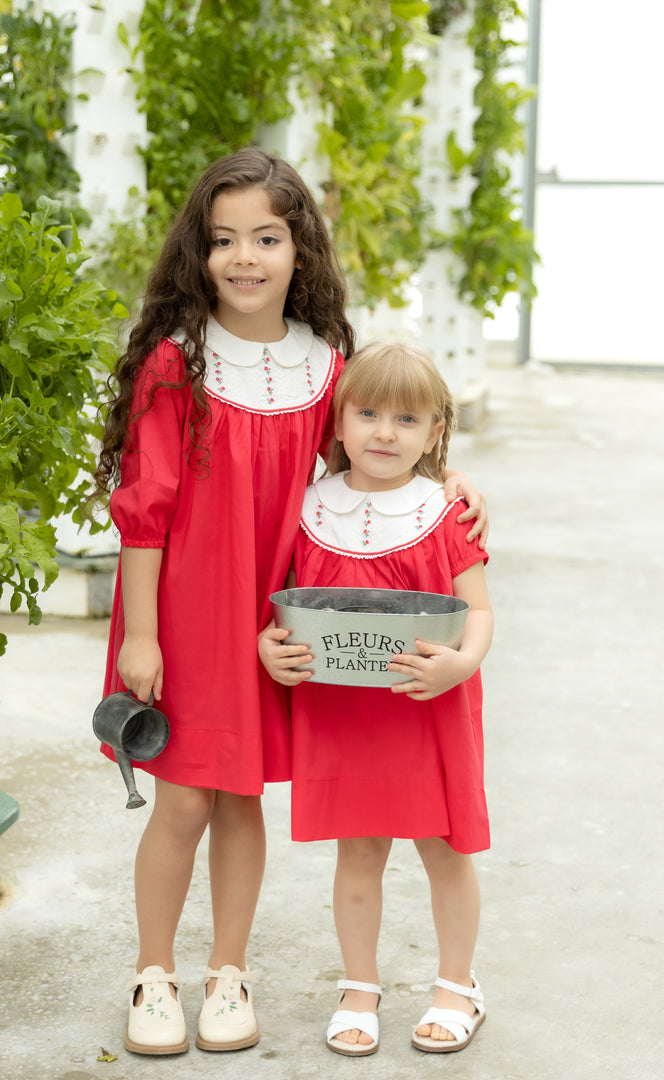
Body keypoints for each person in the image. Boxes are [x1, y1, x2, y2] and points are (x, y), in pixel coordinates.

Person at [93, 148, 489, 1057]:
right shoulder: (175, 363)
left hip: (280, 619)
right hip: (187, 615)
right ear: (198, 252)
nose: (245, 257)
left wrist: (450, 477)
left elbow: (374, 453)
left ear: (299, 249)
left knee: (241, 800)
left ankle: (229, 973)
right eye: (223, 239)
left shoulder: (327, 363)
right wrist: (141, 635)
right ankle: (154, 975)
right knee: (184, 802)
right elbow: (145, 512)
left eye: (266, 238)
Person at [259, 342, 493, 1058]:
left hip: (426, 704)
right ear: (338, 422)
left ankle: (458, 986)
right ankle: (359, 987)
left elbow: (479, 610)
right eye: (367, 414)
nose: (385, 433)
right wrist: (268, 646)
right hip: (344, 715)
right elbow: (279, 604)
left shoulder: (444, 512)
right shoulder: (307, 508)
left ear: (435, 432)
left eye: (407, 419)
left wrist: (463, 663)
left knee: (444, 848)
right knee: (358, 851)